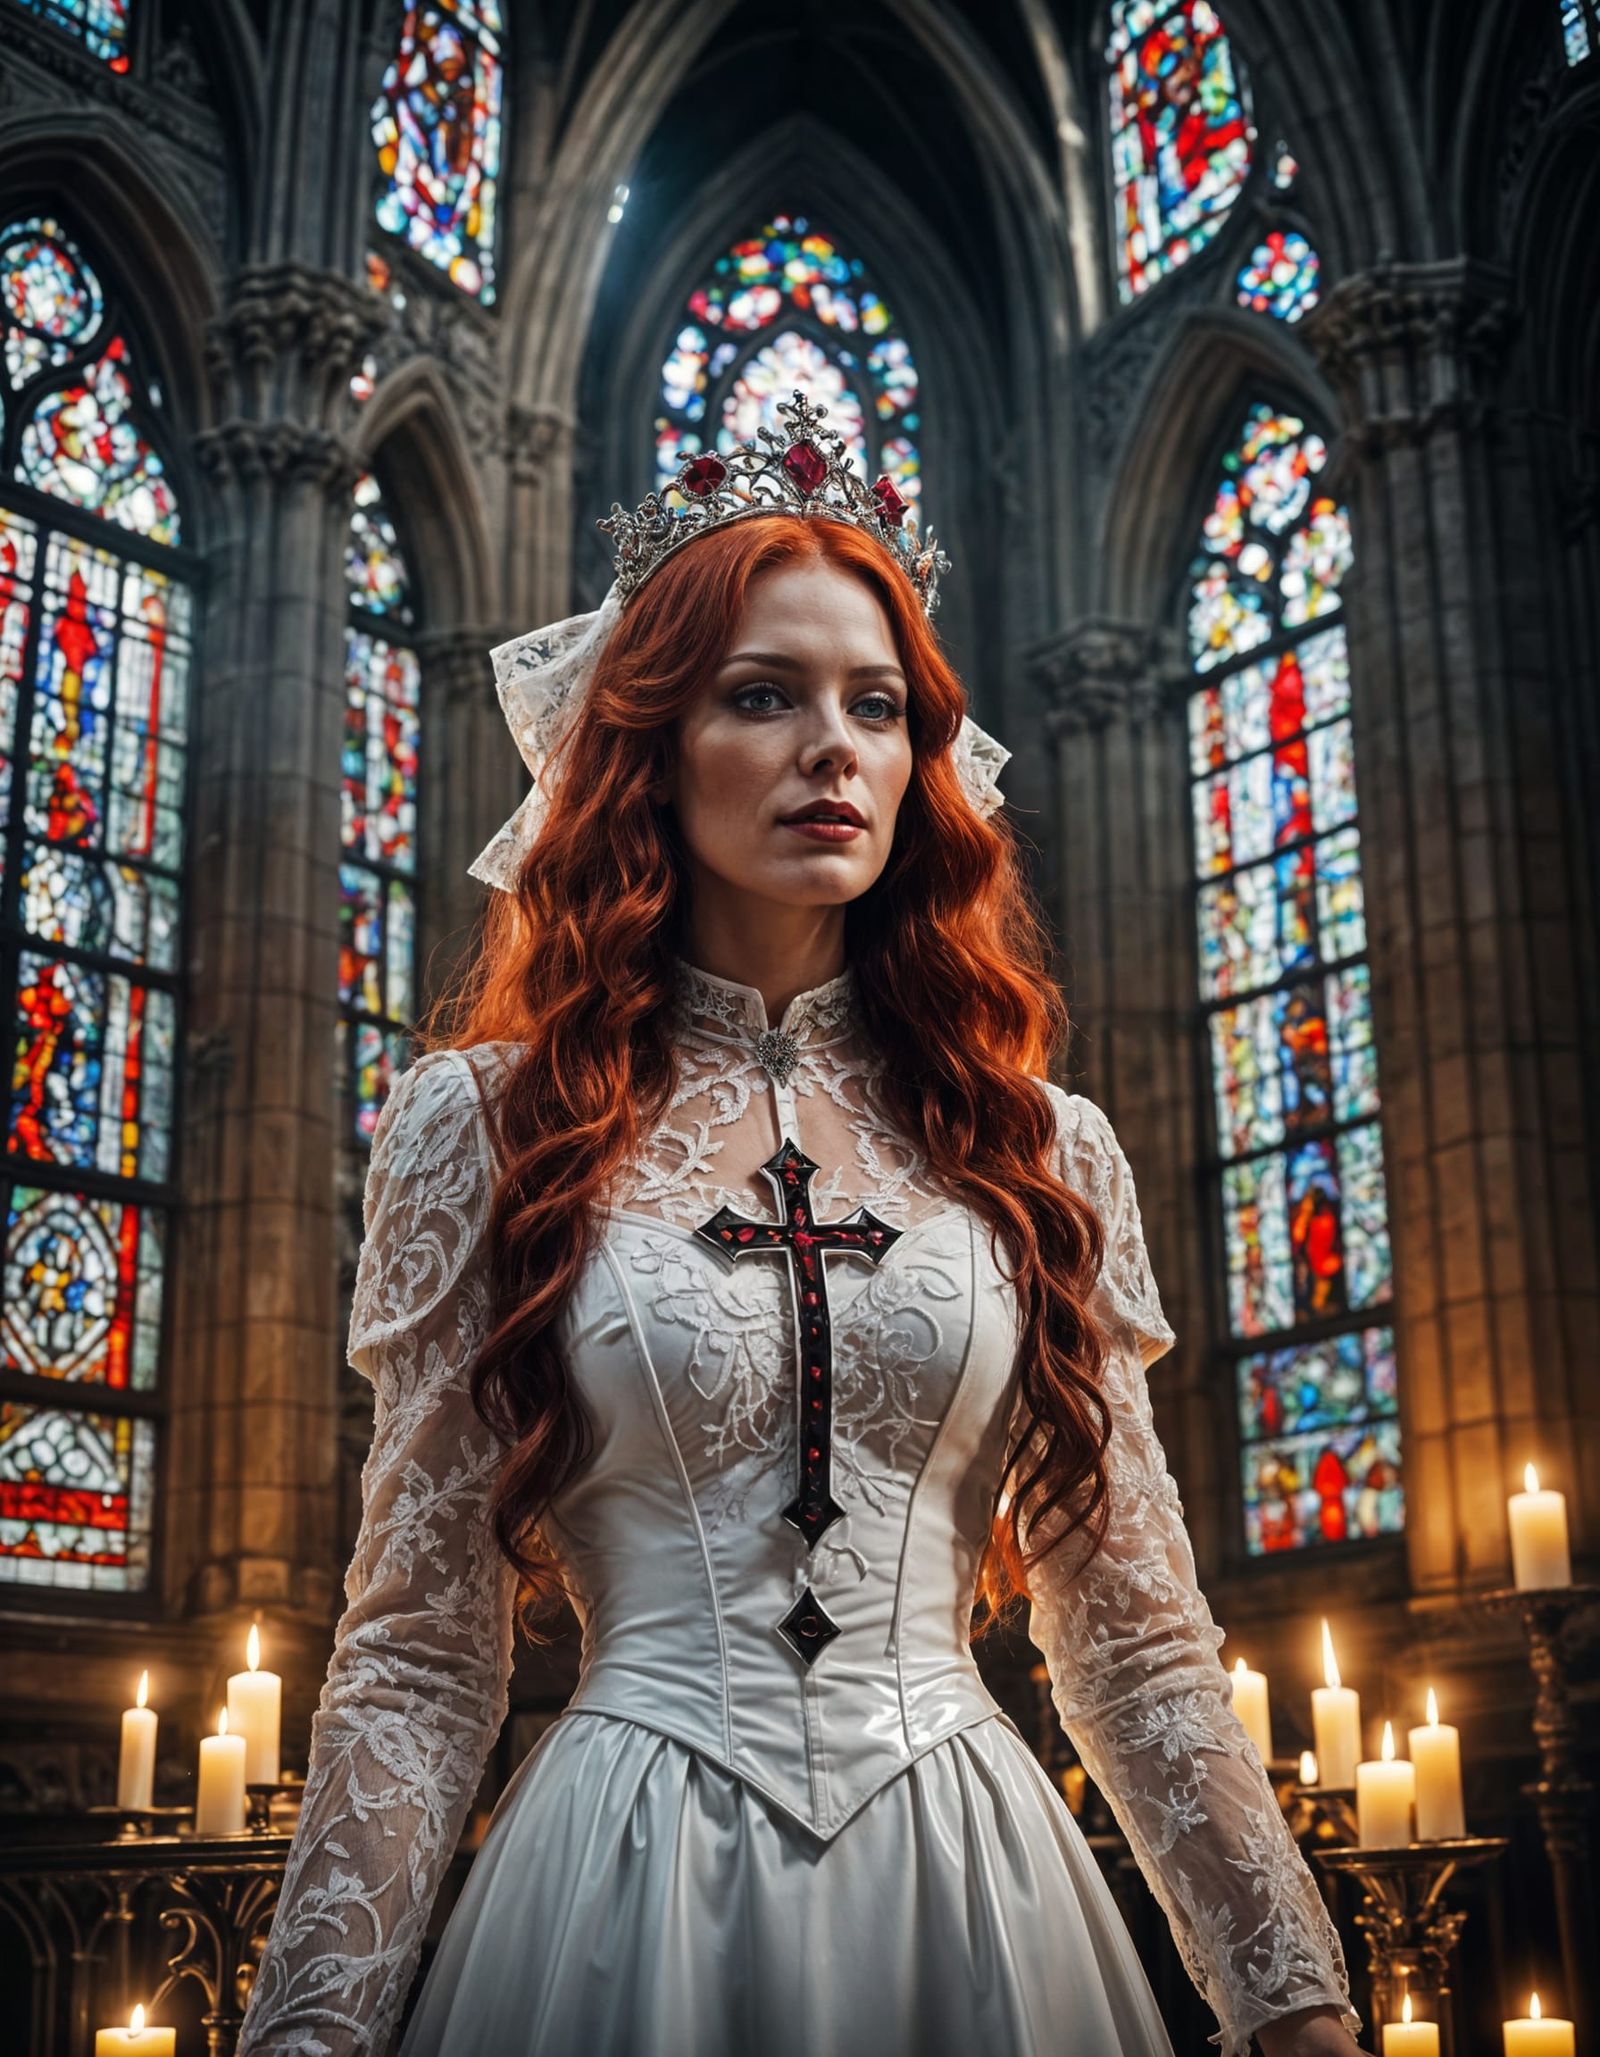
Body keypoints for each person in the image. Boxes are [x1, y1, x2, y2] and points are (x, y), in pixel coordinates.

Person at [236, 394, 1365, 2057]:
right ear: (646, 746)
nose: (833, 745)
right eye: (761, 695)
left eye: (876, 703)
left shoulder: (1042, 1147)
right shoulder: (482, 1127)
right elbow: (416, 1657)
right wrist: (304, 2032)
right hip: (617, 1892)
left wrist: (1301, 2013)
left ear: (922, 761)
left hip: (974, 1886)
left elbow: (1138, 1646)